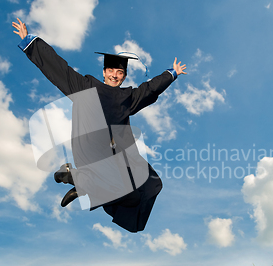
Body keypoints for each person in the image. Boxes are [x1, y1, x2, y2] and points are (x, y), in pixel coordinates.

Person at [12, 18, 186, 232]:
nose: (115, 75)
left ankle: (79, 181)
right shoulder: (86, 86)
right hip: (92, 149)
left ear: (124, 76)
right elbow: (59, 68)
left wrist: (171, 74)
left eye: (120, 72)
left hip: (113, 157)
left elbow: (150, 89)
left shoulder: (128, 96)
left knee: (145, 189)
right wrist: (31, 42)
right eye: (111, 71)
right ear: (104, 72)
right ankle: (83, 180)